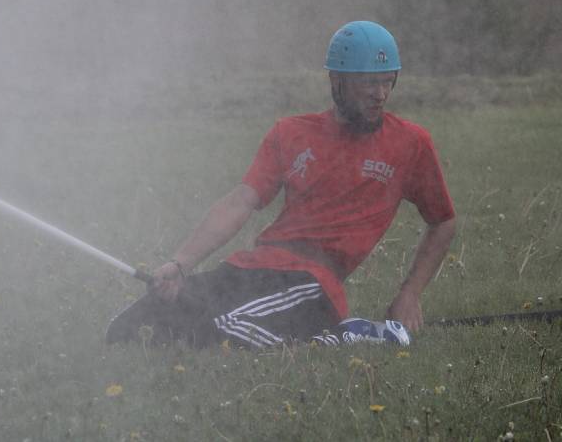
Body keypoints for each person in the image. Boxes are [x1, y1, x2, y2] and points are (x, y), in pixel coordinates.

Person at [106, 21, 456, 348]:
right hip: (252, 268)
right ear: (337, 80)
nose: (379, 94)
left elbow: (443, 220)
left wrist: (410, 293)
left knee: (217, 336)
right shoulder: (290, 133)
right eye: (367, 82)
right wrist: (181, 264)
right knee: (149, 316)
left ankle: (352, 335)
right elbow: (240, 201)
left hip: (312, 284)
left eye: (387, 81)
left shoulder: (411, 144)